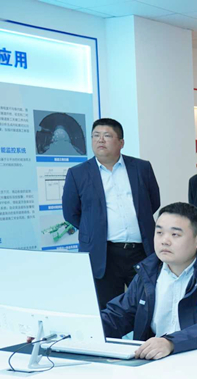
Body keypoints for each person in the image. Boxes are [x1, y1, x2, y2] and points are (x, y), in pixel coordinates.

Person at [100, 202, 197, 360]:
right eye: (159, 232)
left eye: (175, 235)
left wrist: (171, 343)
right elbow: (118, 315)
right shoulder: (148, 273)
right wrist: (89, 330)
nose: (164, 241)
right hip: (157, 362)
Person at [62, 118, 161, 311]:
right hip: (103, 254)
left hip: (141, 251)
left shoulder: (141, 168)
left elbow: (153, 202)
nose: (100, 140)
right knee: (109, 311)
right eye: (96, 136)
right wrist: (94, 230)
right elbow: (70, 212)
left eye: (107, 135)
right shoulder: (78, 173)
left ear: (121, 142)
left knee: (148, 306)